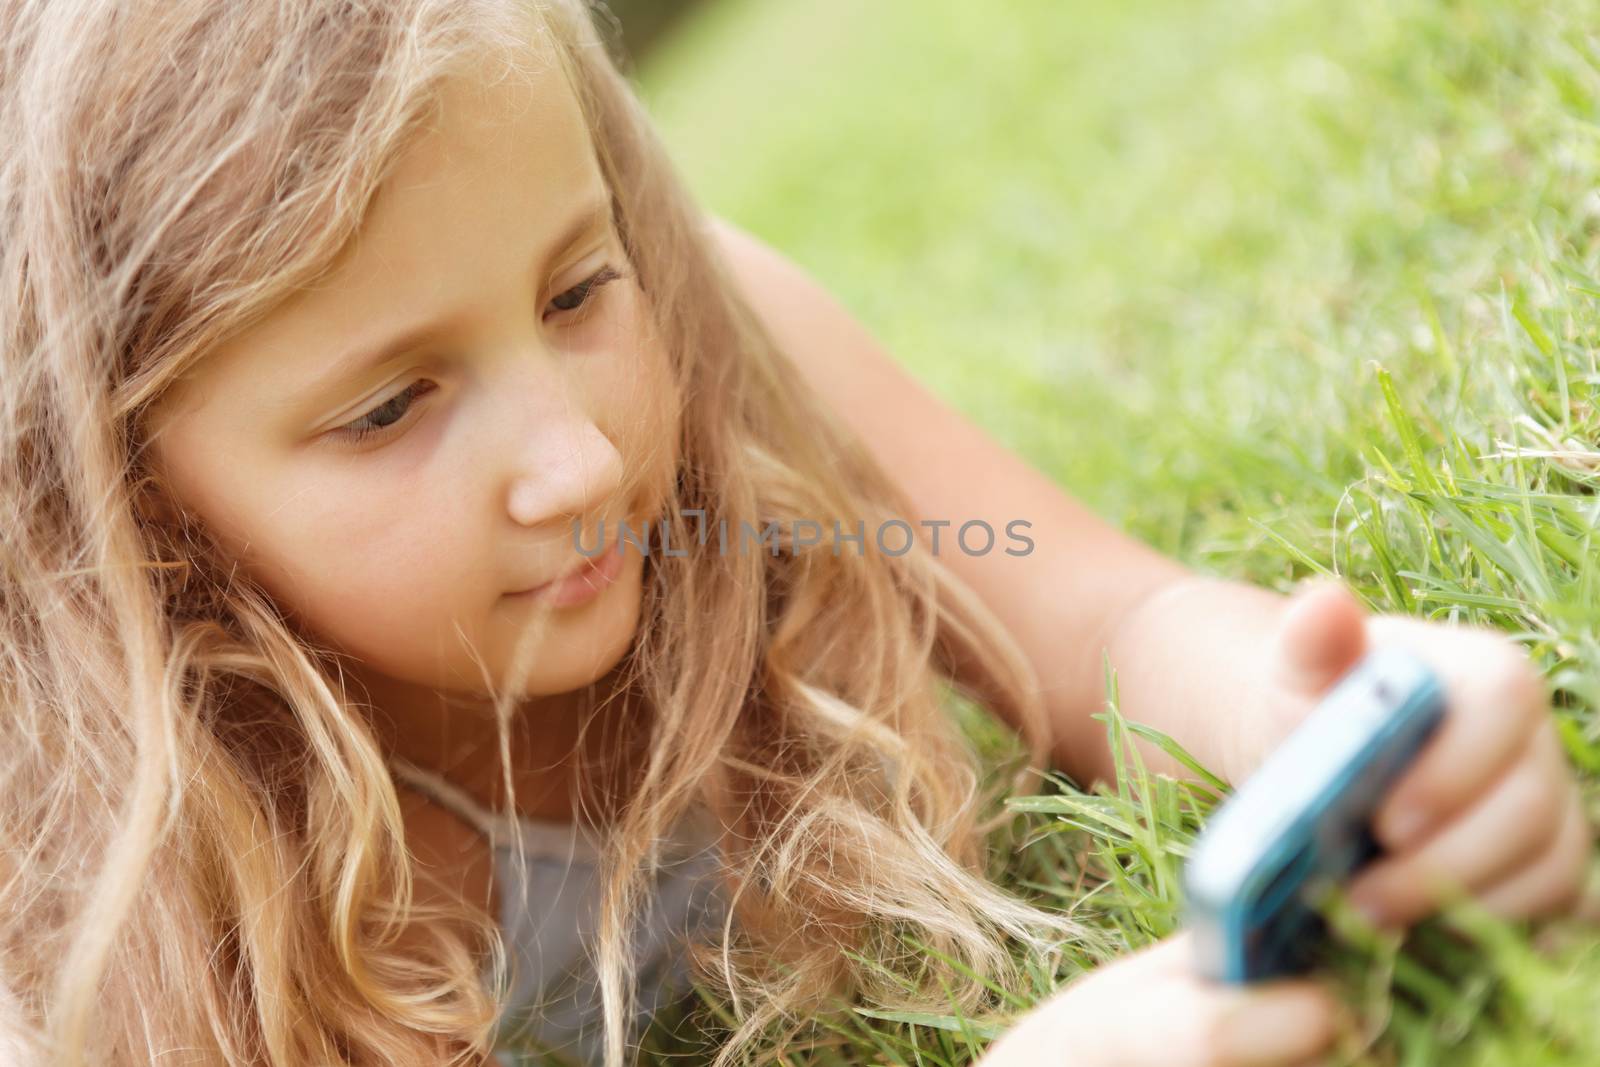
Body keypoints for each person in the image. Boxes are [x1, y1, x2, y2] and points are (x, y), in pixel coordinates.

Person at [0, 1, 1590, 1065]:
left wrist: (1291, 709)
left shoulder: (716, 329)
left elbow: (1098, 624)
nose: (575, 460)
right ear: (139, 514)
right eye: (386, 409)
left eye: (576, 287)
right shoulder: (111, 884)